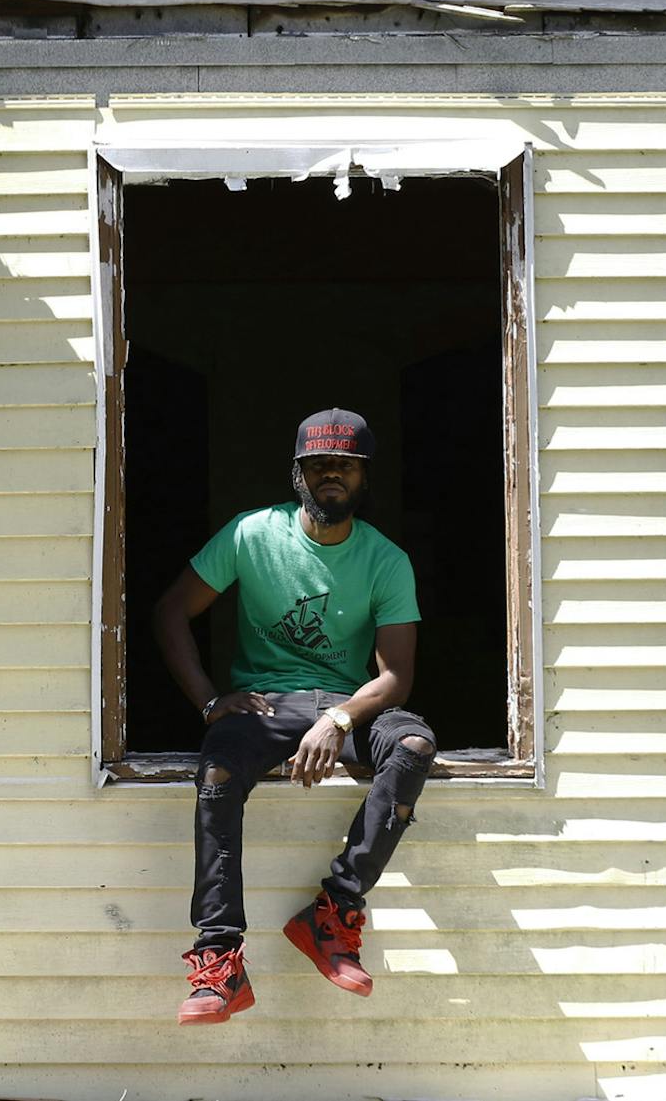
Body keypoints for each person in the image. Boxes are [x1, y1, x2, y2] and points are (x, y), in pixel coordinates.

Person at [153, 408, 437, 1024]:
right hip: (263, 704)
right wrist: (208, 699)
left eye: (345, 465)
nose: (332, 474)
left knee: (412, 745)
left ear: (364, 477)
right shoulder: (252, 534)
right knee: (219, 774)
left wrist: (336, 720)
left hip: (347, 704)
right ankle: (219, 959)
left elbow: (394, 678)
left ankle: (333, 911)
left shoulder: (386, 560)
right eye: (319, 464)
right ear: (297, 474)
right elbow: (171, 610)